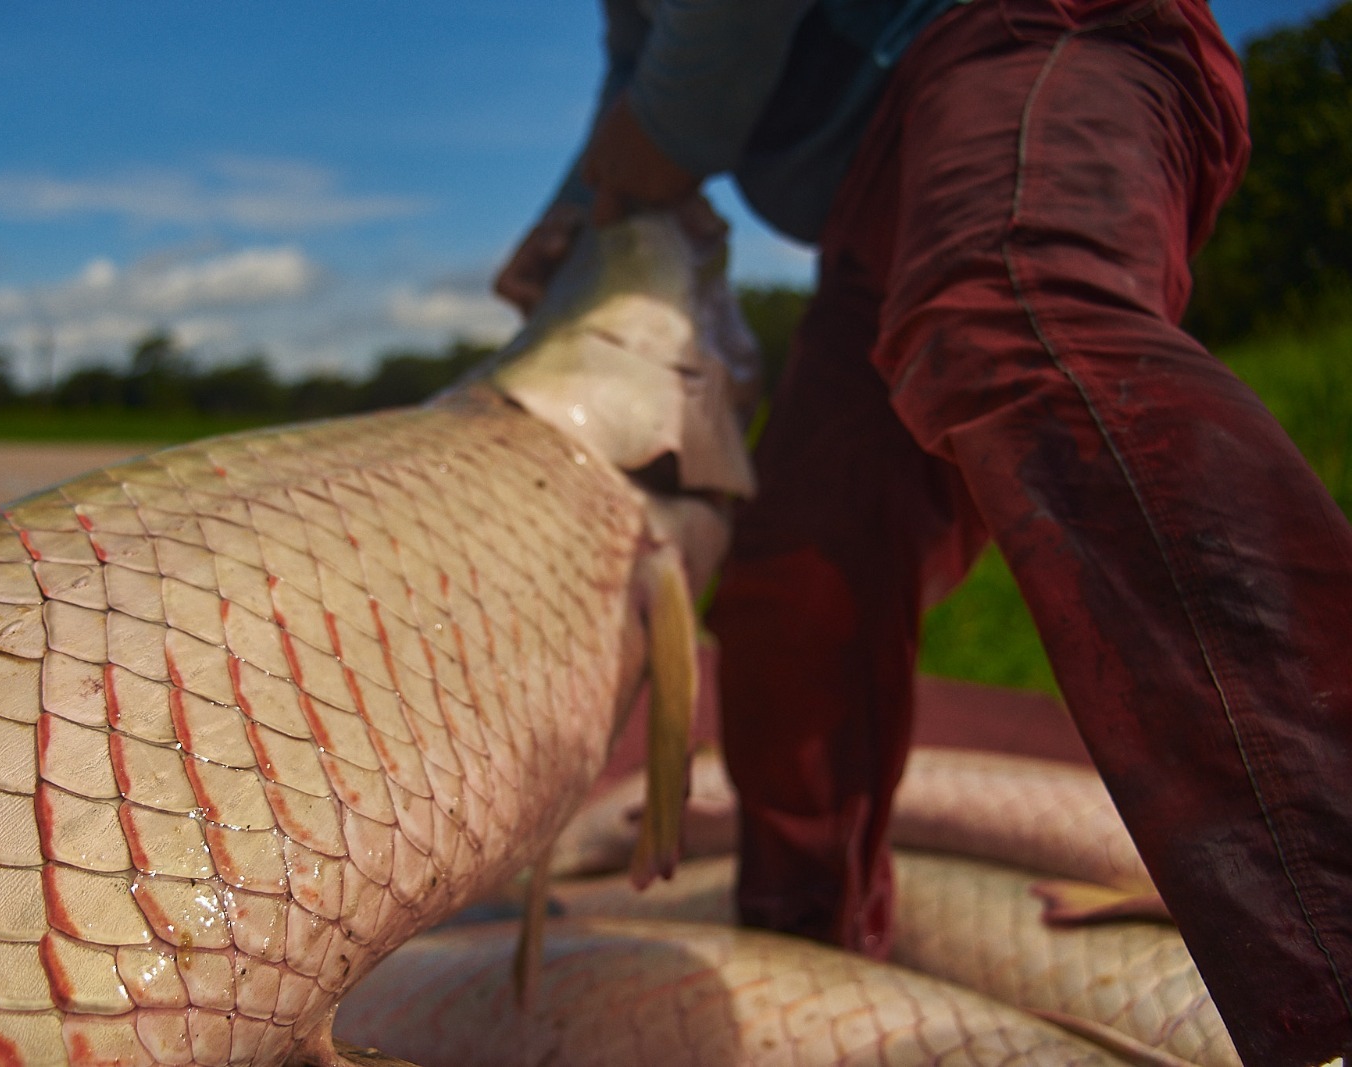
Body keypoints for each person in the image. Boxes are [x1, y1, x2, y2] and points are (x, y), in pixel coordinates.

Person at [494, 1, 1352, 1064]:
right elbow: (630, 99)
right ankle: (806, 944)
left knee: (1005, 306)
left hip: (1036, 32)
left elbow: (701, 76)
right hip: (881, 186)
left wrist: (628, 176)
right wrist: (577, 213)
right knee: (798, 565)